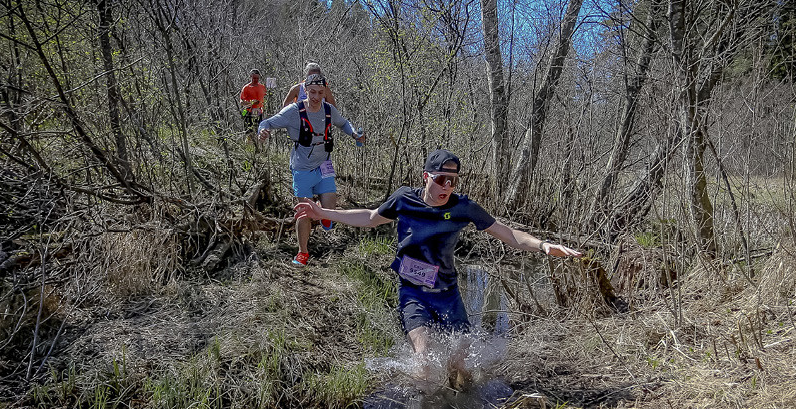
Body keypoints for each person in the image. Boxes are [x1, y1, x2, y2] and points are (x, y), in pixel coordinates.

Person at [293, 149, 583, 387]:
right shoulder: (405, 199)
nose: (447, 187)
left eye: (453, 181)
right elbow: (369, 217)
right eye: (442, 179)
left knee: (459, 366)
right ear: (426, 177)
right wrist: (322, 212)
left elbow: (508, 233)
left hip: (447, 293)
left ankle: (462, 402)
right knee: (424, 359)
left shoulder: (462, 207)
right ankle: (421, 408)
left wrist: (543, 245)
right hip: (413, 292)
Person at [258, 73, 366, 266]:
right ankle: (302, 253)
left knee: (329, 206)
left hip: (324, 163)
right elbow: (267, 122)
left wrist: (354, 134)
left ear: (325, 93)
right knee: (305, 212)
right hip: (302, 169)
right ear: (305, 90)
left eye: (320, 93)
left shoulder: (328, 110)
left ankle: (325, 217)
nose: (316, 97)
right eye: (312, 92)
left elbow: (343, 123)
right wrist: (262, 131)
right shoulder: (293, 111)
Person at [239, 69, 267, 137]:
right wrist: (251, 103)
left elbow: (266, 99)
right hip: (248, 112)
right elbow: (241, 102)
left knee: (259, 132)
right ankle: (248, 147)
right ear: (250, 77)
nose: (256, 80)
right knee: (249, 133)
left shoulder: (262, 87)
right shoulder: (246, 88)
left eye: (257, 78)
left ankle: (259, 146)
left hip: (259, 112)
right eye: (254, 78)